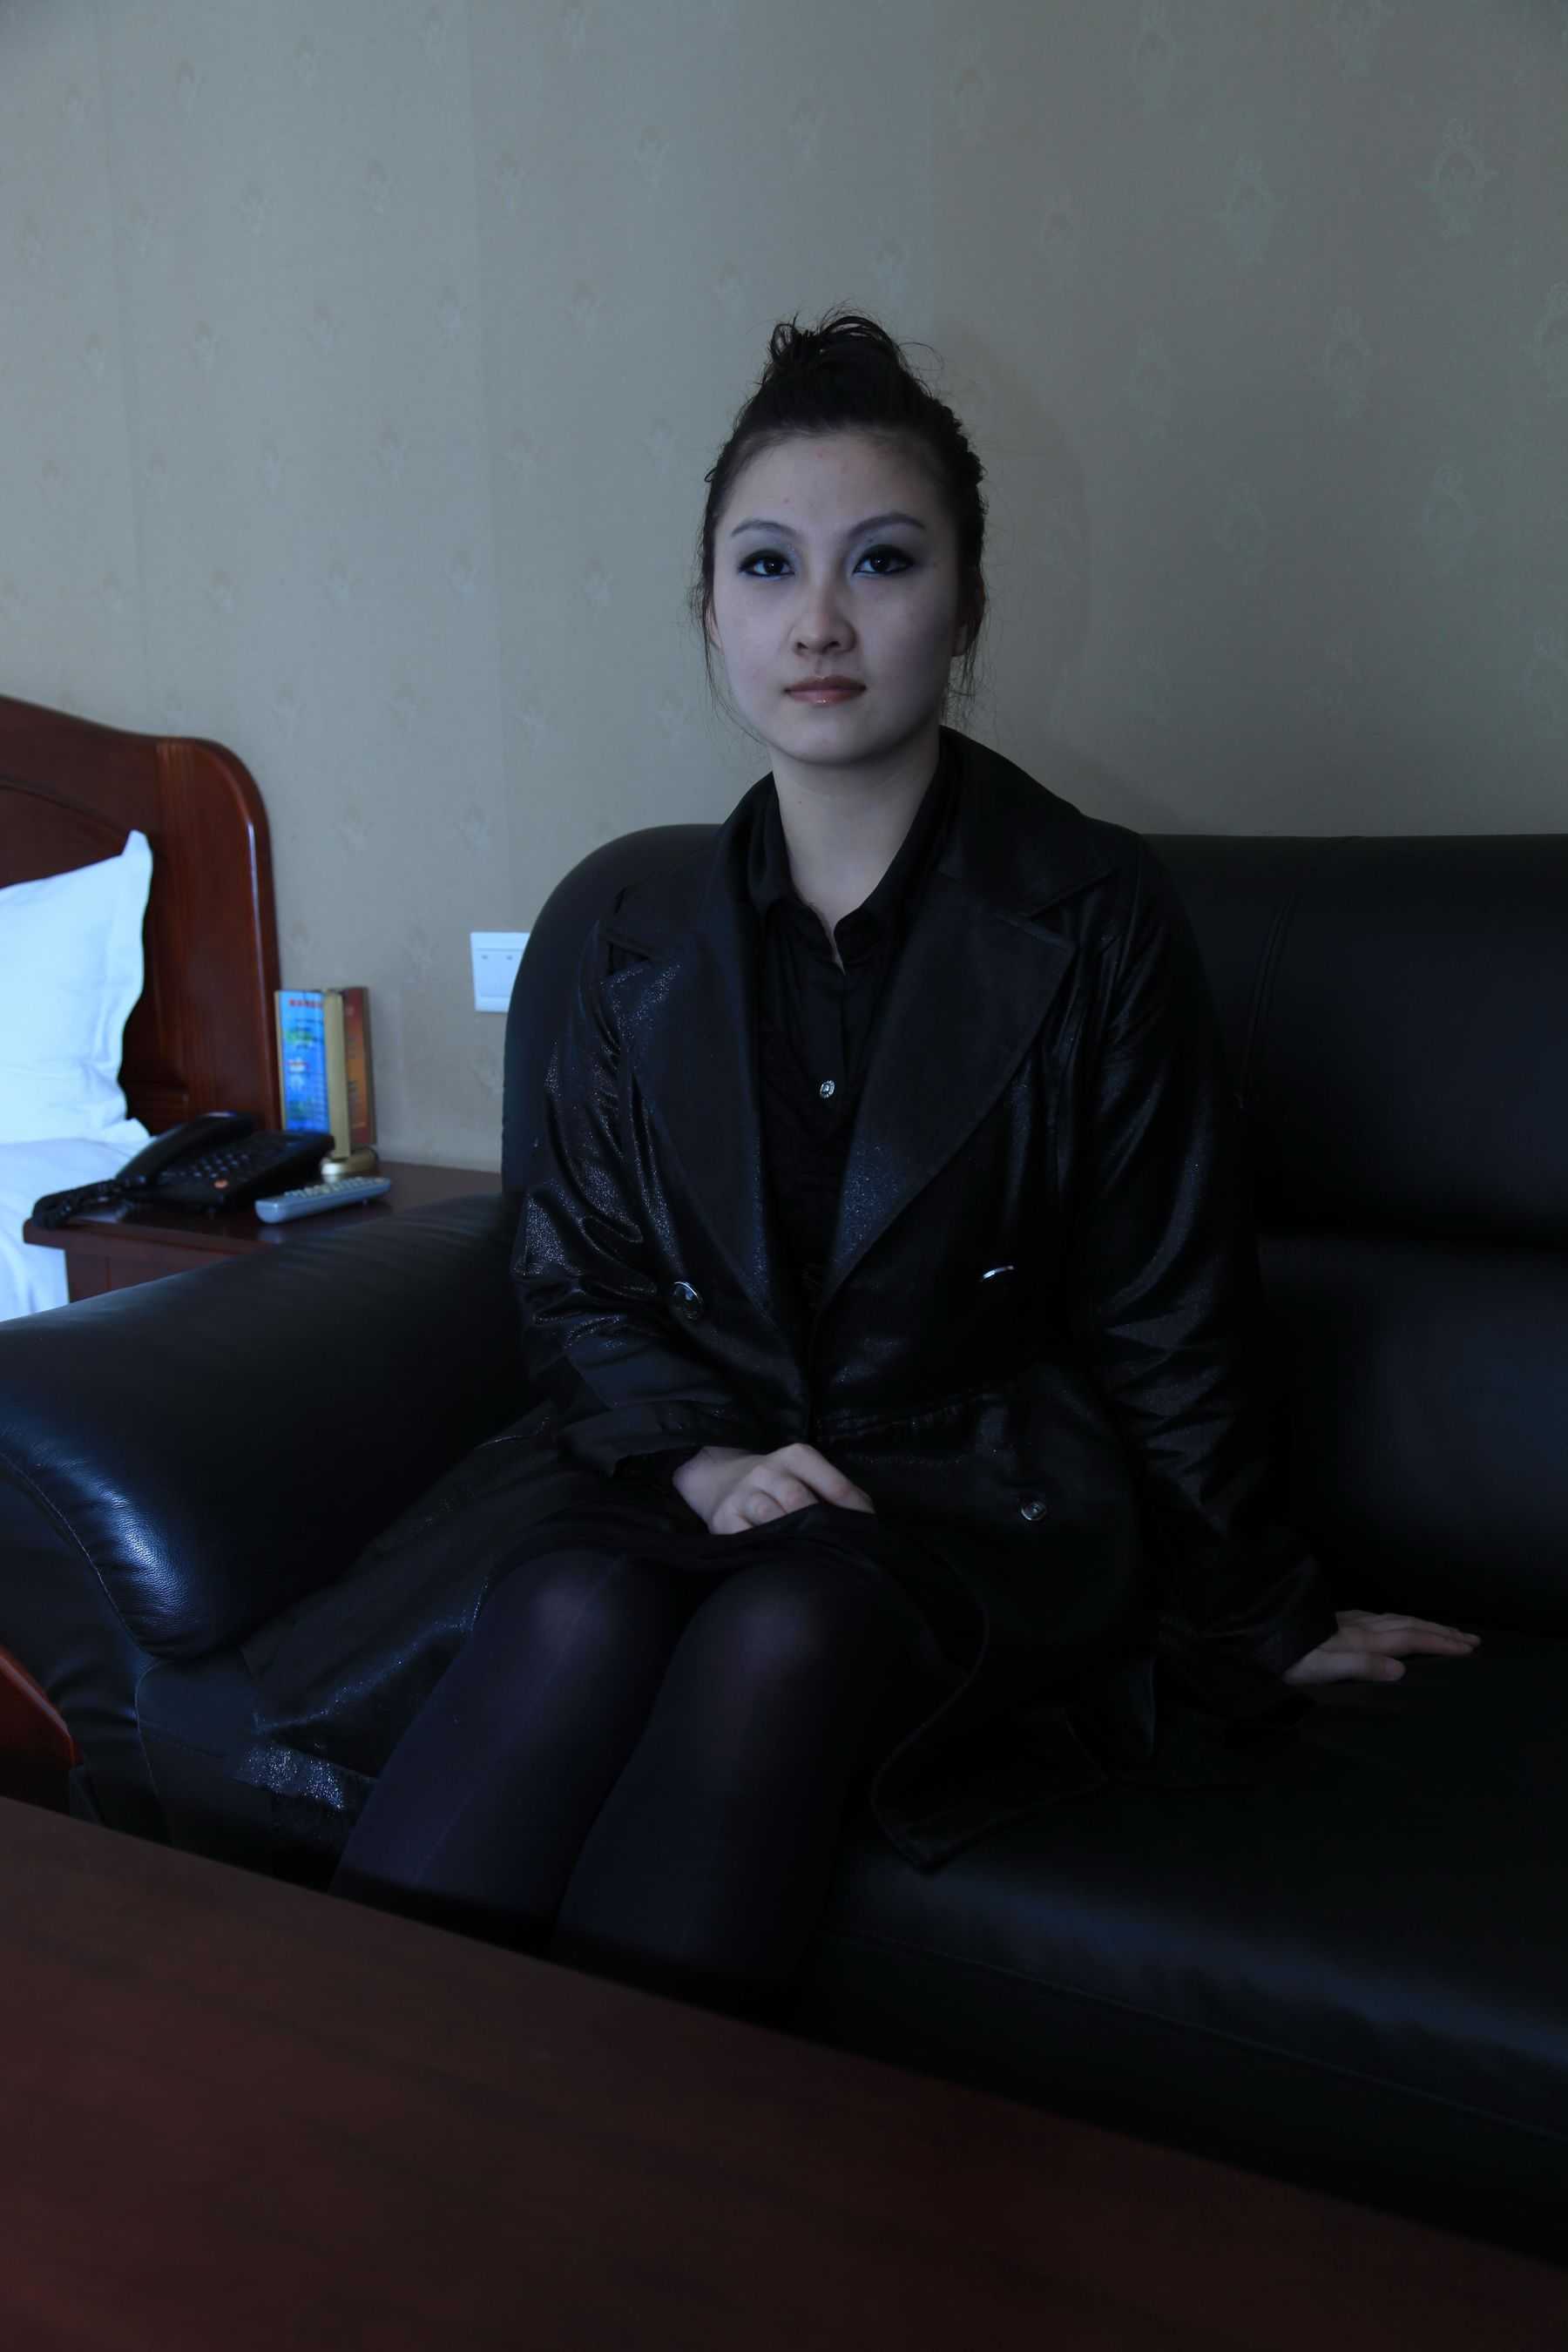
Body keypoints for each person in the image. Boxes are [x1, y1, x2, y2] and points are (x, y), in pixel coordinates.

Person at [326, 308, 1478, 2021]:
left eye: (881, 560)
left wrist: (1258, 1615)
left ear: (968, 604)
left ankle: (605, 2167)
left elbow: (1168, 1309)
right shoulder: (630, 934)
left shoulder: (1094, 917)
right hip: (702, 1466)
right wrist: (707, 1460)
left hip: (974, 1491)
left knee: (786, 1630)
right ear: (709, 611)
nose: (819, 620)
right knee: (570, 1606)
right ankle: (349, 2121)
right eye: (767, 566)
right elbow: (574, 1275)